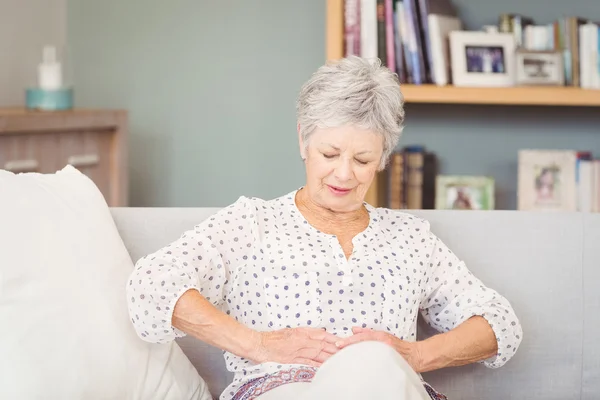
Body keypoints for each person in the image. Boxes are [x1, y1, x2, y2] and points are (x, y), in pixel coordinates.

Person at [126, 56, 523, 400]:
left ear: (383, 158)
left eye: (363, 159)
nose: (344, 174)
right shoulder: (252, 224)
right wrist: (258, 343)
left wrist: (414, 356)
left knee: (374, 364)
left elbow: (498, 323)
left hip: (387, 388)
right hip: (281, 391)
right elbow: (152, 284)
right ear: (303, 140)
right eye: (329, 153)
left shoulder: (409, 238)